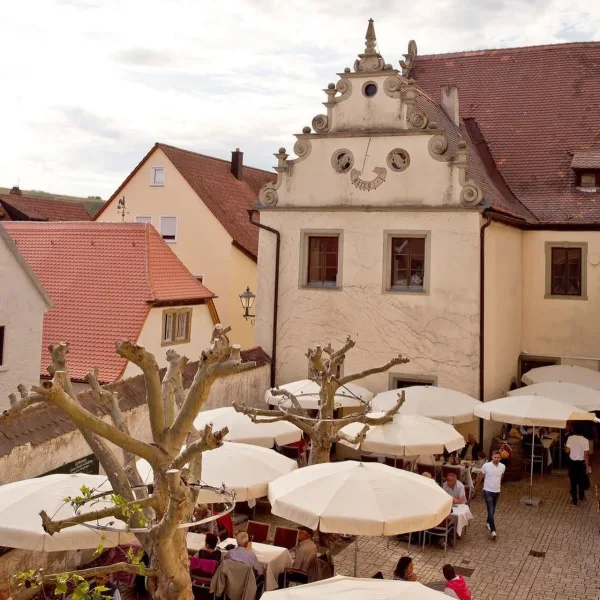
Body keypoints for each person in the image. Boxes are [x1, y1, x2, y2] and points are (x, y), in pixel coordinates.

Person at [475, 449, 505, 540]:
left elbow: (501, 477)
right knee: (490, 510)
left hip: (497, 491)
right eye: (495, 457)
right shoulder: (486, 466)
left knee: (493, 510)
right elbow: (480, 477)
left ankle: (488, 522)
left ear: (500, 458)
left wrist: (498, 487)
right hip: (487, 490)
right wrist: (476, 488)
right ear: (492, 457)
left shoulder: (503, 467)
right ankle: (493, 531)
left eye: (498, 457)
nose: (496, 459)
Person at [565, 422, 591, 506]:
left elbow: (567, 451)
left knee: (573, 482)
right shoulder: (585, 440)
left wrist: (566, 446)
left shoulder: (570, 438)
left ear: (573, 430)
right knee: (581, 480)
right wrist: (587, 467)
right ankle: (581, 496)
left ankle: (574, 500)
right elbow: (586, 455)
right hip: (581, 463)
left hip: (572, 463)